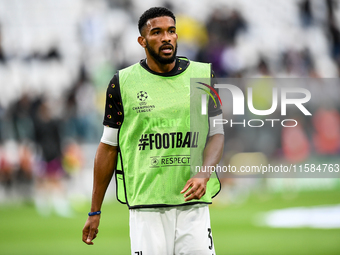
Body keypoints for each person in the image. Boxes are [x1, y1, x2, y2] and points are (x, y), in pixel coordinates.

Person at [82, 7, 224, 255]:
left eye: (171, 31)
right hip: (146, 209)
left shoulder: (203, 75)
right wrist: (95, 210)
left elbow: (217, 134)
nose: (166, 37)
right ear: (142, 41)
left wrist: (204, 173)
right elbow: (108, 147)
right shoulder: (122, 83)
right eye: (157, 32)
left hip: (193, 205)